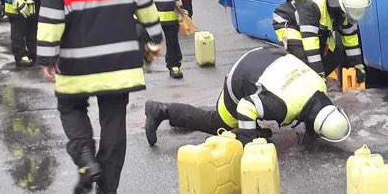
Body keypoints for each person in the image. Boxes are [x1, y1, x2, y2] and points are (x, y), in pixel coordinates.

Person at [37, 0, 163, 194]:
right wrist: (156, 37)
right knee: (114, 120)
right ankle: (108, 188)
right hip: (121, 60)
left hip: (76, 62)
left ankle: (84, 155)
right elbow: (145, 4)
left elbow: (51, 18)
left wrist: (47, 57)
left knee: (71, 106)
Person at [144, 46, 351, 146]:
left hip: (267, 57)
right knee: (217, 123)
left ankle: (251, 126)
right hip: (241, 77)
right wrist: (248, 144)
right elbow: (246, 106)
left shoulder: (320, 84)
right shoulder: (283, 107)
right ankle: (161, 110)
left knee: (259, 108)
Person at [272, 0, 371, 81]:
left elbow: (351, 39)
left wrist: (357, 65)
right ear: (342, 8)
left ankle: (314, 82)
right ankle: (298, 83)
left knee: (334, 56)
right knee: (303, 60)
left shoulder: (347, 9)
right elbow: (311, 45)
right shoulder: (311, 5)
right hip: (290, 23)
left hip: (316, 28)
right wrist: (319, 74)